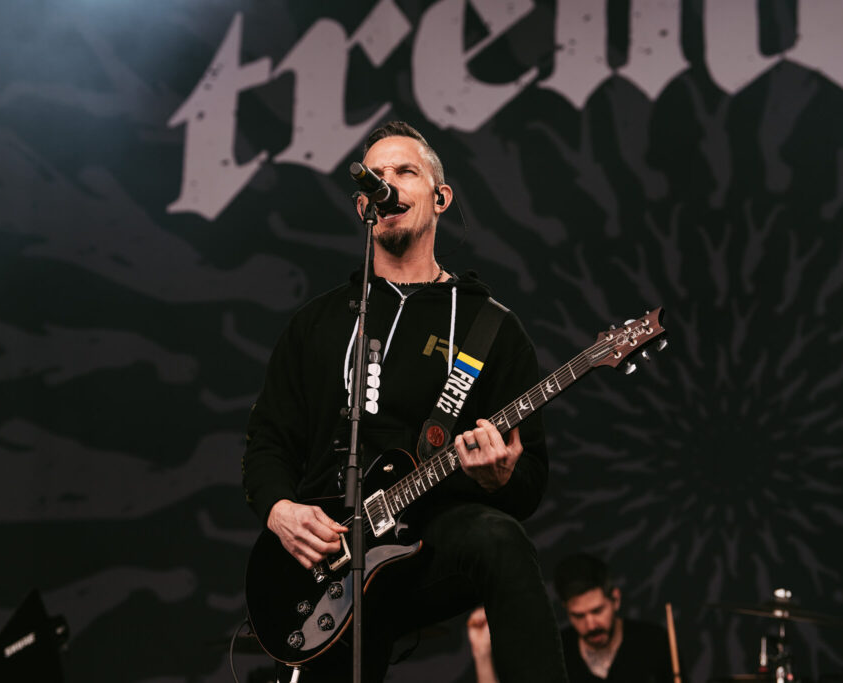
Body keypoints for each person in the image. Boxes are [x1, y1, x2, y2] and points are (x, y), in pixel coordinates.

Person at [242, 121, 567, 682]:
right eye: (376, 176)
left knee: (499, 540)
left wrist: (500, 478)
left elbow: (529, 475)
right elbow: (267, 443)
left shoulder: (490, 328)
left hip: (425, 542)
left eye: (404, 172)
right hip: (326, 562)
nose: (386, 183)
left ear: (440, 199)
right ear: (363, 205)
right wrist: (280, 511)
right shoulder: (315, 324)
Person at [467, 554, 674, 683]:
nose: (591, 624)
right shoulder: (555, 653)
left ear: (615, 600)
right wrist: (482, 653)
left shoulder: (653, 641)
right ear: (566, 609)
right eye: (579, 615)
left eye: (597, 611)